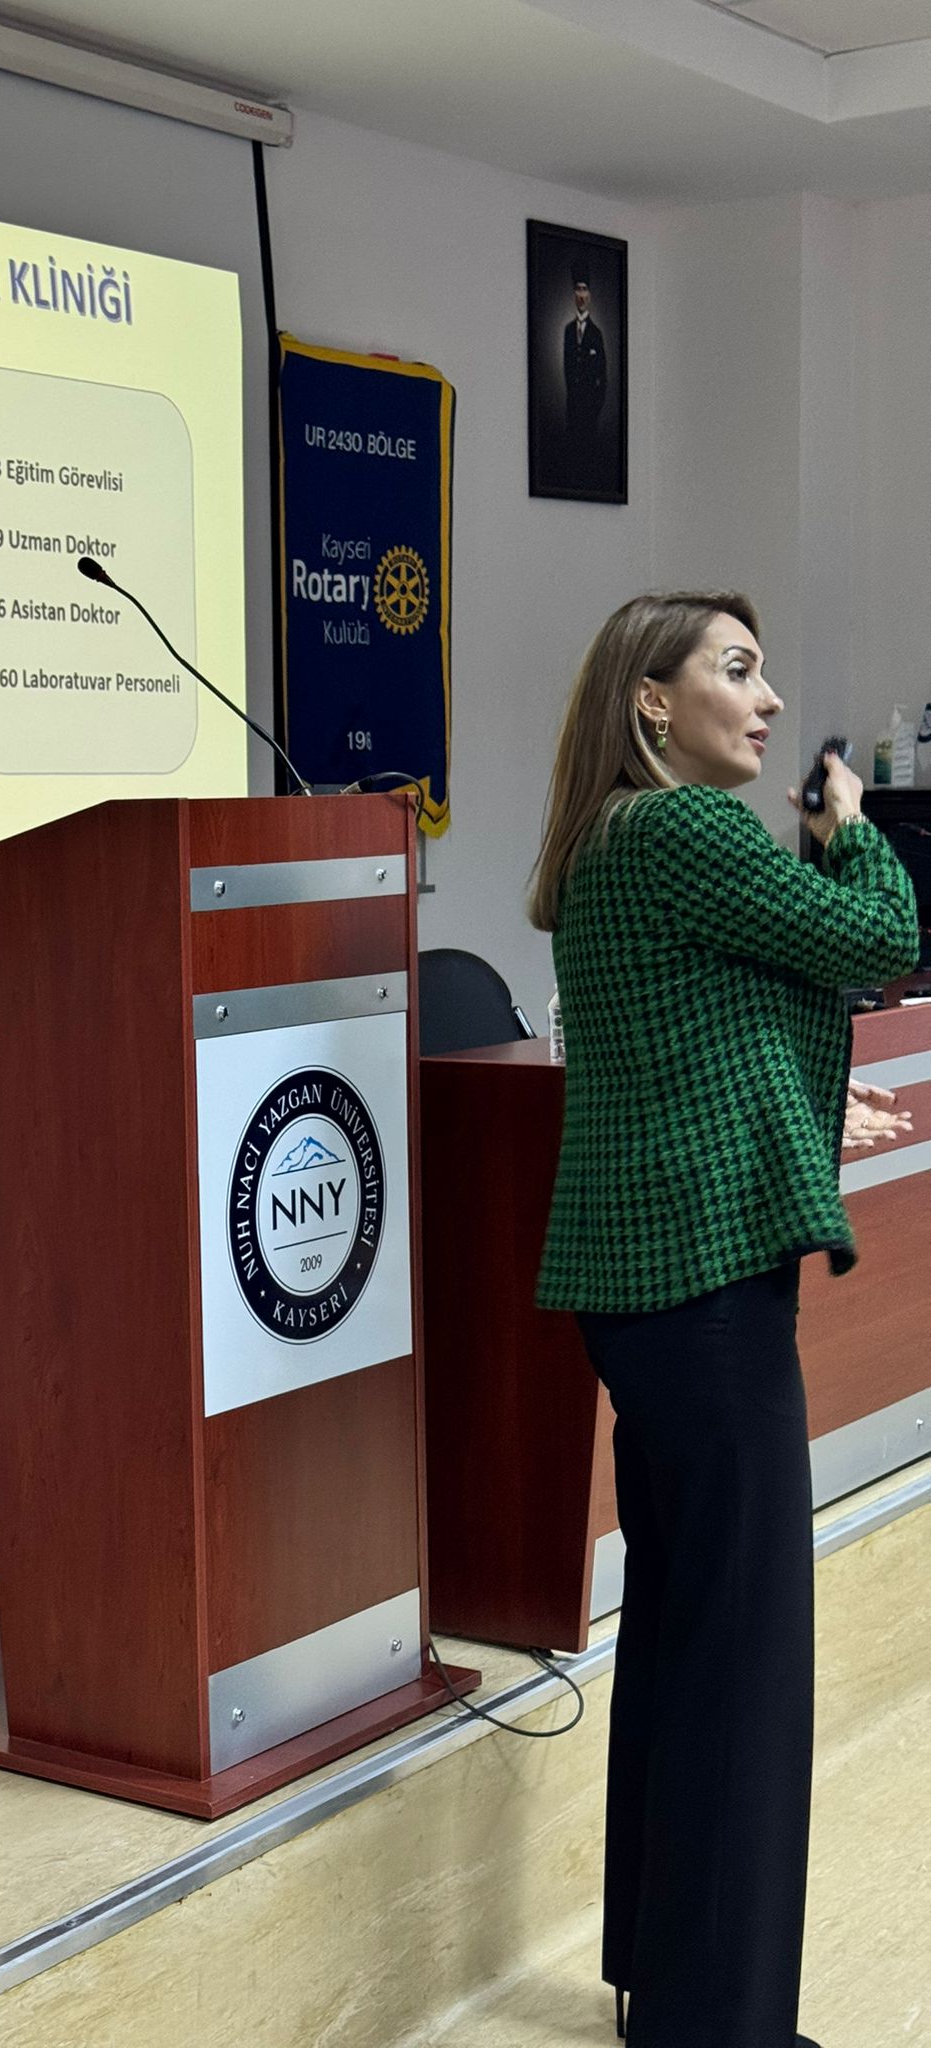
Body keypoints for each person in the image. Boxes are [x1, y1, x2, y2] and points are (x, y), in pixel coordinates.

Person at [528, 593, 920, 2048]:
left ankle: (671, 1997)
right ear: (652, 698)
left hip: (646, 1300)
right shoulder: (688, 831)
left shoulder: (611, 842)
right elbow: (880, 936)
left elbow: (695, 1039)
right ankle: (726, 2029)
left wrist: (811, 1099)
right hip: (702, 1302)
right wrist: (850, 827)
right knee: (747, 1666)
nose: (769, 702)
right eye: (737, 670)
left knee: (687, 1639)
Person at [562, 271, 607, 481]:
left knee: (589, 458)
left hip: (590, 410)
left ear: (589, 295)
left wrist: (596, 404)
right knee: (572, 458)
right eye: (578, 289)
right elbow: (566, 368)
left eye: (584, 290)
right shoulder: (568, 331)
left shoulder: (596, 334)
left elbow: (603, 375)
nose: (581, 295)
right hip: (573, 408)